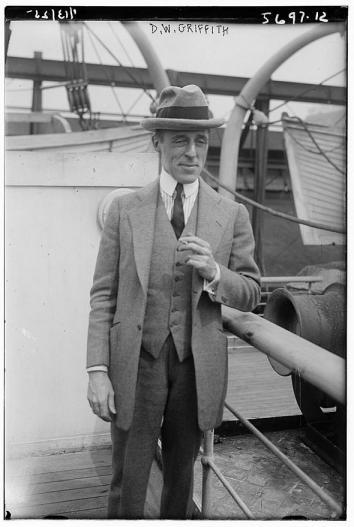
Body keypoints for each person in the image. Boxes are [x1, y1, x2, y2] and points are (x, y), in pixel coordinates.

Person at [86, 84, 261, 519]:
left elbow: (253, 291)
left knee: (182, 486)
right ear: (157, 141)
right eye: (179, 139)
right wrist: (97, 371)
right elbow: (103, 296)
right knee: (127, 481)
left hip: (195, 370)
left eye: (200, 140)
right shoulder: (126, 210)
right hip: (136, 366)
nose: (191, 152)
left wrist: (216, 274)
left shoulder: (232, 213)